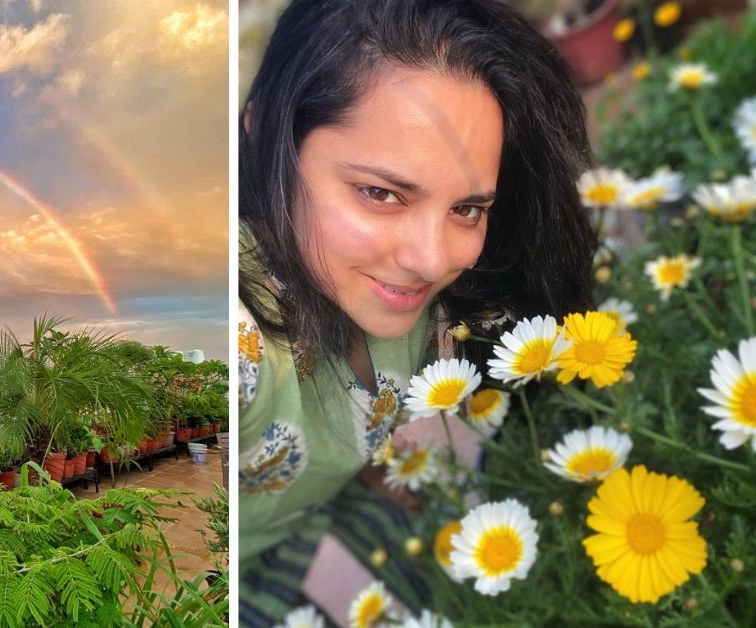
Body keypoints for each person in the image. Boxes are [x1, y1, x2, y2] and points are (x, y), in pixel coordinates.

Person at [237, 0, 596, 625]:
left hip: (311, 524)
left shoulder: (461, 297)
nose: (432, 261)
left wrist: (364, 470)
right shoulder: (236, 336)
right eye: (380, 194)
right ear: (266, 131)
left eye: (468, 209)